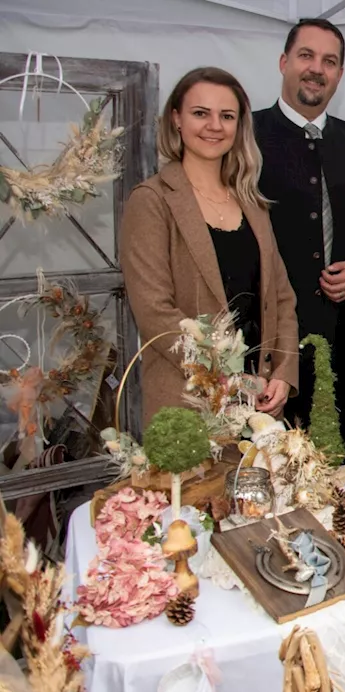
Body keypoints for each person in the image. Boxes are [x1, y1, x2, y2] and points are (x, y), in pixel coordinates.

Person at [120, 67, 299, 426]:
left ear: (239, 126)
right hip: (188, 406)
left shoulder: (253, 203)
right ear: (176, 120)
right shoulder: (152, 201)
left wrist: (284, 375)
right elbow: (155, 313)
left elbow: (281, 299)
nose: (214, 125)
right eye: (201, 113)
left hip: (261, 407)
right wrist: (230, 377)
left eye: (226, 116)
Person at [254, 18, 345, 453]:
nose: (317, 68)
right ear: (284, 62)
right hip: (271, 346)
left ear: (340, 74)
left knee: (343, 471)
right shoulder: (246, 136)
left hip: (344, 348)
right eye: (306, 56)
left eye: (329, 61)